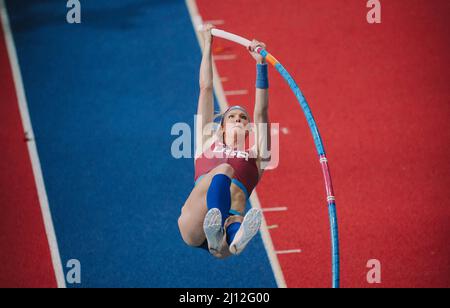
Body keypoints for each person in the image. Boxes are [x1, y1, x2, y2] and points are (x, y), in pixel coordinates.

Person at [178, 24, 271, 258]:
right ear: (221, 127)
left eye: (243, 118)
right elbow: (206, 88)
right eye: (232, 117)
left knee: (237, 208)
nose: (238, 119)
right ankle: (216, 225)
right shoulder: (206, 141)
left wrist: (261, 64)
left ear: (249, 129)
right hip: (194, 223)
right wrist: (207, 44)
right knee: (225, 169)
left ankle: (234, 234)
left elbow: (262, 112)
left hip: (222, 244)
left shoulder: (257, 157)